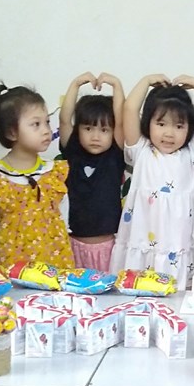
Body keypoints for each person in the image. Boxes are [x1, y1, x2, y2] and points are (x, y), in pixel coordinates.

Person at [110, 74, 194, 285]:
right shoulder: (141, 149)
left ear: (189, 128)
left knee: (175, 292)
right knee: (138, 289)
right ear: (147, 123)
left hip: (177, 242)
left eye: (179, 126)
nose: (169, 133)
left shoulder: (191, 152)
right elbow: (129, 109)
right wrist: (145, 81)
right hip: (143, 238)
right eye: (161, 124)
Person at [0, 84, 73, 268]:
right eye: (36, 124)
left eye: (47, 122)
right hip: (13, 270)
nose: (46, 130)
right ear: (11, 132)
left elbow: (64, 223)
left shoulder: (54, 174)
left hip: (55, 267)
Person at [58, 72, 126, 270]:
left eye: (104, 130)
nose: (95, 136)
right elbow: (64, 120)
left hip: (108, 249)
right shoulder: (73, 152)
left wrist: (117, 85)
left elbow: (121, 121)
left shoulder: (115, 155)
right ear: (78, 129)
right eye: (88, 128)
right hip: (73, 247)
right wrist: (75, 84)